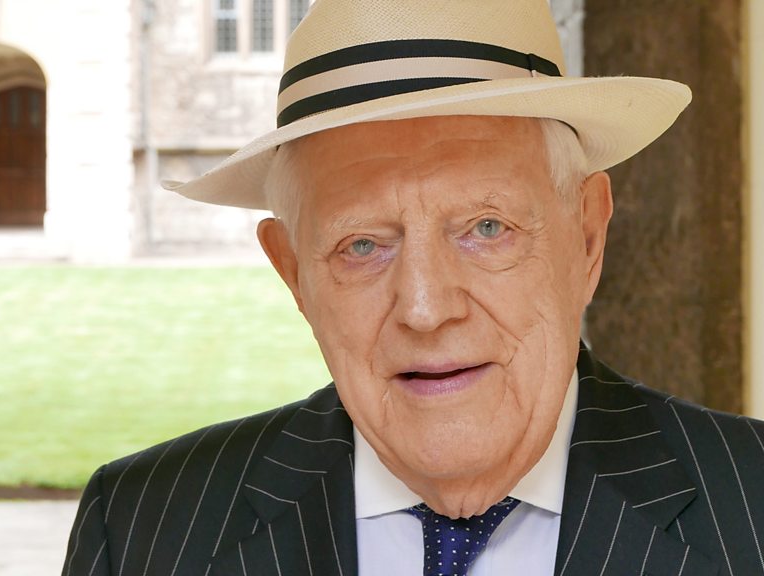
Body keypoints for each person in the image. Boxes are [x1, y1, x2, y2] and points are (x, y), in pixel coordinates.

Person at [63, 1, 764, 574]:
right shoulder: (141, 531)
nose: (425, 310)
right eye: (363, 245)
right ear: (294, 273)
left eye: (485, 228)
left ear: (586, 238)